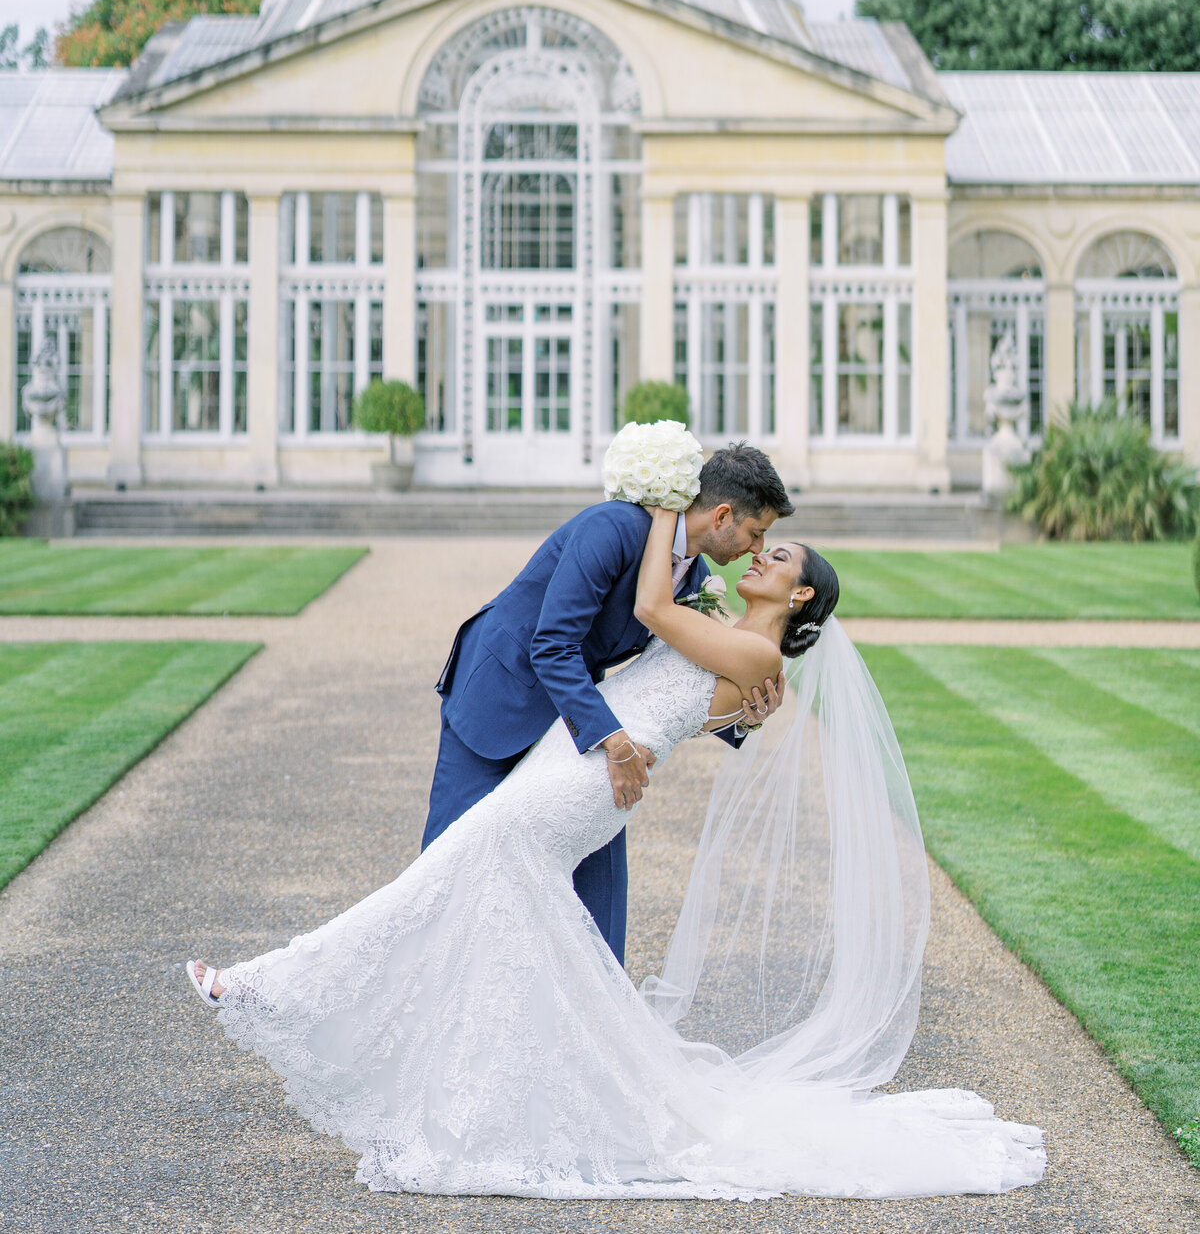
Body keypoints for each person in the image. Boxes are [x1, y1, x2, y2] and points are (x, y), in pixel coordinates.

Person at [185, 508, 1046, 1200]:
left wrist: (663, 503)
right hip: (576, 757)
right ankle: (494, 1093)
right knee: (491, 905)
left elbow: (648, 617)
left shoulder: (751, 647)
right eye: (760, 540)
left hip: (583, 784)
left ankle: (268, 984)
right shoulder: (736, 637)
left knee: (451, 876)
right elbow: (672, 675)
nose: (757, 555)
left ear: (802, 599)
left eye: (777, 557)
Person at [423, 441, 793, 964]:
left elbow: (691, 680)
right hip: (500, 697)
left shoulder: (698, 578)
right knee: (448, 867)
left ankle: (594, 1028)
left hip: (578, 718)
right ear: (723, 515)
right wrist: (614, 742)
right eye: (757, 534)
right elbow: (551, 645)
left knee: (598, 895)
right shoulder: (613, 529)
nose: (758, 550)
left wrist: (746, 712)